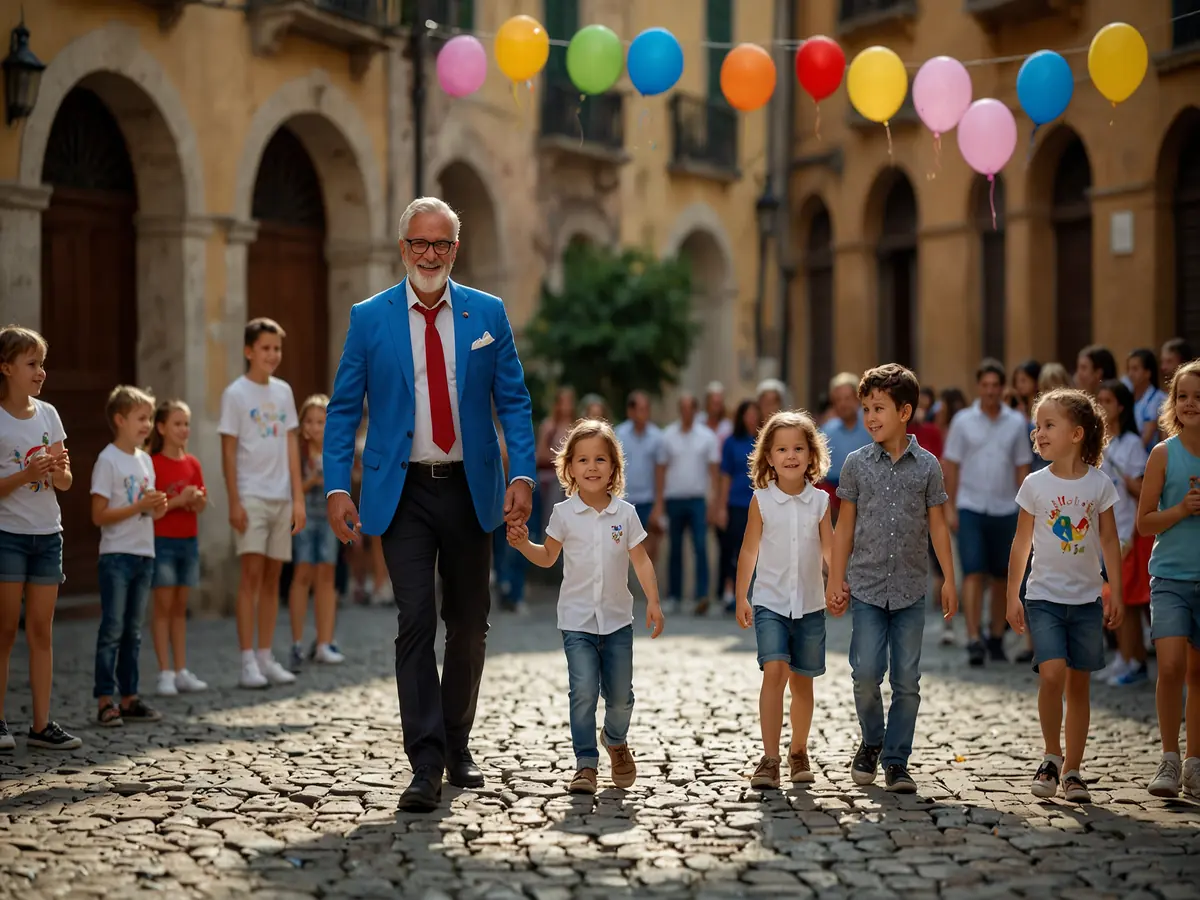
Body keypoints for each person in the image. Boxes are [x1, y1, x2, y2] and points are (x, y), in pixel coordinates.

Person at [324, 196, 536, 812]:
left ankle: (457, 741)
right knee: (415, 618)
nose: (429, 254)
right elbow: (344, 408)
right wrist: (336, 486)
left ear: (455, 250)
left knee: (468, 623)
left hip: (472, 487)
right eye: (419, 242)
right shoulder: (370, 318)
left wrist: (523, 473)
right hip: (403, 491)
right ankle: (425, 760)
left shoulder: (487, 313)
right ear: (402, 248)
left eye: (441, 244)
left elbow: (514, 402)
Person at [507, 419, 664, 794]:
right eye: (582, 460)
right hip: (576, 622)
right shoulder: (563, 514)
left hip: (617, 622)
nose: (591, 467)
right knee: (583, 692)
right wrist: (523, 545)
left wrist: (654, 602)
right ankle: (586, 764)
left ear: (613, 467)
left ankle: (615, 739)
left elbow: (641, 561)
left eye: (600, 459)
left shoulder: (625, 514)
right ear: (570, 468)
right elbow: (548, 556)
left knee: (621, 697)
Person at [826, 364, 957, 794]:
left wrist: (949, 579)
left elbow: (938, 526)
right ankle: (872, 741)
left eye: (878, 408)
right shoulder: (856, 464)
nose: (870, 417)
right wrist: (835, 578)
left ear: (904, 412)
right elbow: (844, 527)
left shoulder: (928, 467)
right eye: (866, 409)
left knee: (906, 681)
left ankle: (897, 760)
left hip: (910, 590)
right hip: (865, 587)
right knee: (865, 673)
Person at [1005, 388, 1123, 804]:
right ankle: (1051, 756)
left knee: (1079, 686)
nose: (1038, 433)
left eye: (1048, 425)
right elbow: (1021, 543)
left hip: (1088, 601)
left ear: (1076, 434)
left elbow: (1109, 540)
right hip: (1044, 599)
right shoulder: (1034, 484)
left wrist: (1116, 591)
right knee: (1052, 674)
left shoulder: (1099, 484)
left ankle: (1073, 770)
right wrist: (1013, 595)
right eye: (1037, 426)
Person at [734, 410, 833, 789]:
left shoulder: (820, 502)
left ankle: (798, 751)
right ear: (769, 457)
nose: (791, 455)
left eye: (798, 448)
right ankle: (770, 758)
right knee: (774, 672)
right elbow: (749, 551)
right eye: (782, 449)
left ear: (811, 455)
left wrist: (838, 583)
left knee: (803, 683)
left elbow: (830, 549)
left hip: (810, 604)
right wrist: (741, 596)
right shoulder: (761, 501)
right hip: (770, 603)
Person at [0, 326, 80, 751]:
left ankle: (41, 725)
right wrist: (27, 474)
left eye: (42, 364)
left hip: (49, 535)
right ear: (6, 367)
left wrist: (56, 471)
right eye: (32, 364)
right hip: (7, 537)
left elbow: (66, 481)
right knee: (4, 632)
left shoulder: (49, 414)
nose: (41, 372)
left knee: (41, 633)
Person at [219, 318, 303, 689]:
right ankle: (246, 661)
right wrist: (234, 501)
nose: (272, 355)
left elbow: (291, 445)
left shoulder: (283, 392)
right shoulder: (235, 394)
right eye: (266, 348)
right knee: (250, 577)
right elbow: (228, 450)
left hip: (281, 496)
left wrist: (297, 498)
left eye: (277, 348)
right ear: (248, 351)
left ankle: (266, 657)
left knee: (273, 579)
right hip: (251, 495)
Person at [1136, 359, 1200, 798]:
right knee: (1172, 665)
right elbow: (1144, 522)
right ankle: (1169, 758)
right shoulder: (1163, 454)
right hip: (1170, 577)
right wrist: (1180, 510)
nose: (1190, 404)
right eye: (1183, 396)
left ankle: (1194, 763)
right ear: (1172, 403)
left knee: (1198, 672)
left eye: (1198, 397)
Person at [943, 359, 1033, 666]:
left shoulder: (1015, 423)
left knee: (1001, 576)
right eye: (986, 385)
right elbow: (952, 465)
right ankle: (973, 638)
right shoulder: (963, 422)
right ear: (978, 387)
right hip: (970, 506)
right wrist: (950, 507)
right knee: (972, 571)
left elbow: (1022, 466)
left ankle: (995, 636)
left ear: (1002, 388)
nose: (991, 391)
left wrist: (1026, 510)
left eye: (996, 386)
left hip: (1006, 507)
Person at [91, 385, 169, 727]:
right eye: (141, 418)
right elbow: (99, 515)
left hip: (143, 553)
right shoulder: (107, 459)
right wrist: (140, 506)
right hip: (116, 556)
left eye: (149, 418)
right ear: (120, 420)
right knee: (112, 628)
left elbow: (151, 512)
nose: (147, 425)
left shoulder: (145, 460)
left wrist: (159, 506)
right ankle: (105, 700)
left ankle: (129, 698)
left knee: (133, 632)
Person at [148, 399, 208, 696]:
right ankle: (165, 672)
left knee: (180, 608)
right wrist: (179, 501)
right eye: (177, 424)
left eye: (186, 424)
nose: (184, 429)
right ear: (161, 428)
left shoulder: (193, 463)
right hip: (162, 542)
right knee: (162, 607)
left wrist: (197, 501)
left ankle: (182, 670)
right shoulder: (152, 464)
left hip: (189, 541)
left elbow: (202, 503)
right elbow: (151, 510)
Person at [1094, 381, 1149, 686]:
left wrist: (1130, 482)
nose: (1102, 406)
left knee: (1125, 600)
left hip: (1127, 532)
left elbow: (1143, 491)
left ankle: (1135, 661)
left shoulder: (1132, 445)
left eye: (1108, 401)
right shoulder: (1097, 443)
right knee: (1110, 598)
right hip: (1100, 534)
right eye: (1099, 400)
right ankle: (1122, 657)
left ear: (1121, 407)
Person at [287, 394, 344, 670]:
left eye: (321, 422)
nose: (315, 427)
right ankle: (297, 643)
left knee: (327, 576)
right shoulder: (297, 454)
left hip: (329, 518)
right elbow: (291, 489)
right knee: (302, 573)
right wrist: (310, 482)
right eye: (309, 421)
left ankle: (324, 642)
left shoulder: (335, 452)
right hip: (306, 517)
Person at [652, 393, 720, 614]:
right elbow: (661, 470)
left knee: (700, 546)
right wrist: (659, 502)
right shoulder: (668, 436)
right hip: (674, 498)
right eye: (683, 408)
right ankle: (674, 595)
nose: (686, 412)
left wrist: (714, 503)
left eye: (690, 408)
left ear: (696, 410)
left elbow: (714, 472)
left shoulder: (707, 437)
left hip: (698, 499)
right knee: (675, 548)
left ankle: (702, 595)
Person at [715, 400, 760, 612]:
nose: (751, 419)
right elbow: (725, 476)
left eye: (754, 414)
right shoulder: (731, 442)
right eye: (748, 415)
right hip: (736, 503)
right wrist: (721, 507)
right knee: (735, 550)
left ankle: (755, 594)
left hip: (759, 503)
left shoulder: (763, 441)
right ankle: (732, 593)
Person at [614, 391, 664, 565]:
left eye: (646, 409)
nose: (644, 413)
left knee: (649, 549)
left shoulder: (657, 437)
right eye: (640, 409)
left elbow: (660, 471)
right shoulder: (619, 434)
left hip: (648, 500)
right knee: (620, 547)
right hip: (625, 500)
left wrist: (659, 504)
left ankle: (649, 581)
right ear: (631, 411)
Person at [819, 372, 872, 519]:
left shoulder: (873, 427)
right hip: (835, 500)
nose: (843, 404)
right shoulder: (826, 431)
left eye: (847, 398)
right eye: (838, 400)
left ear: (858, 398)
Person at [1126, 348, 1165, 450]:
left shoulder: (1158, 399)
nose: (1130, 374)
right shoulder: (1128, 397)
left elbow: (1145, 439)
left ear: (1148, 373)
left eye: (1135, 369)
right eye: (1129, 369)